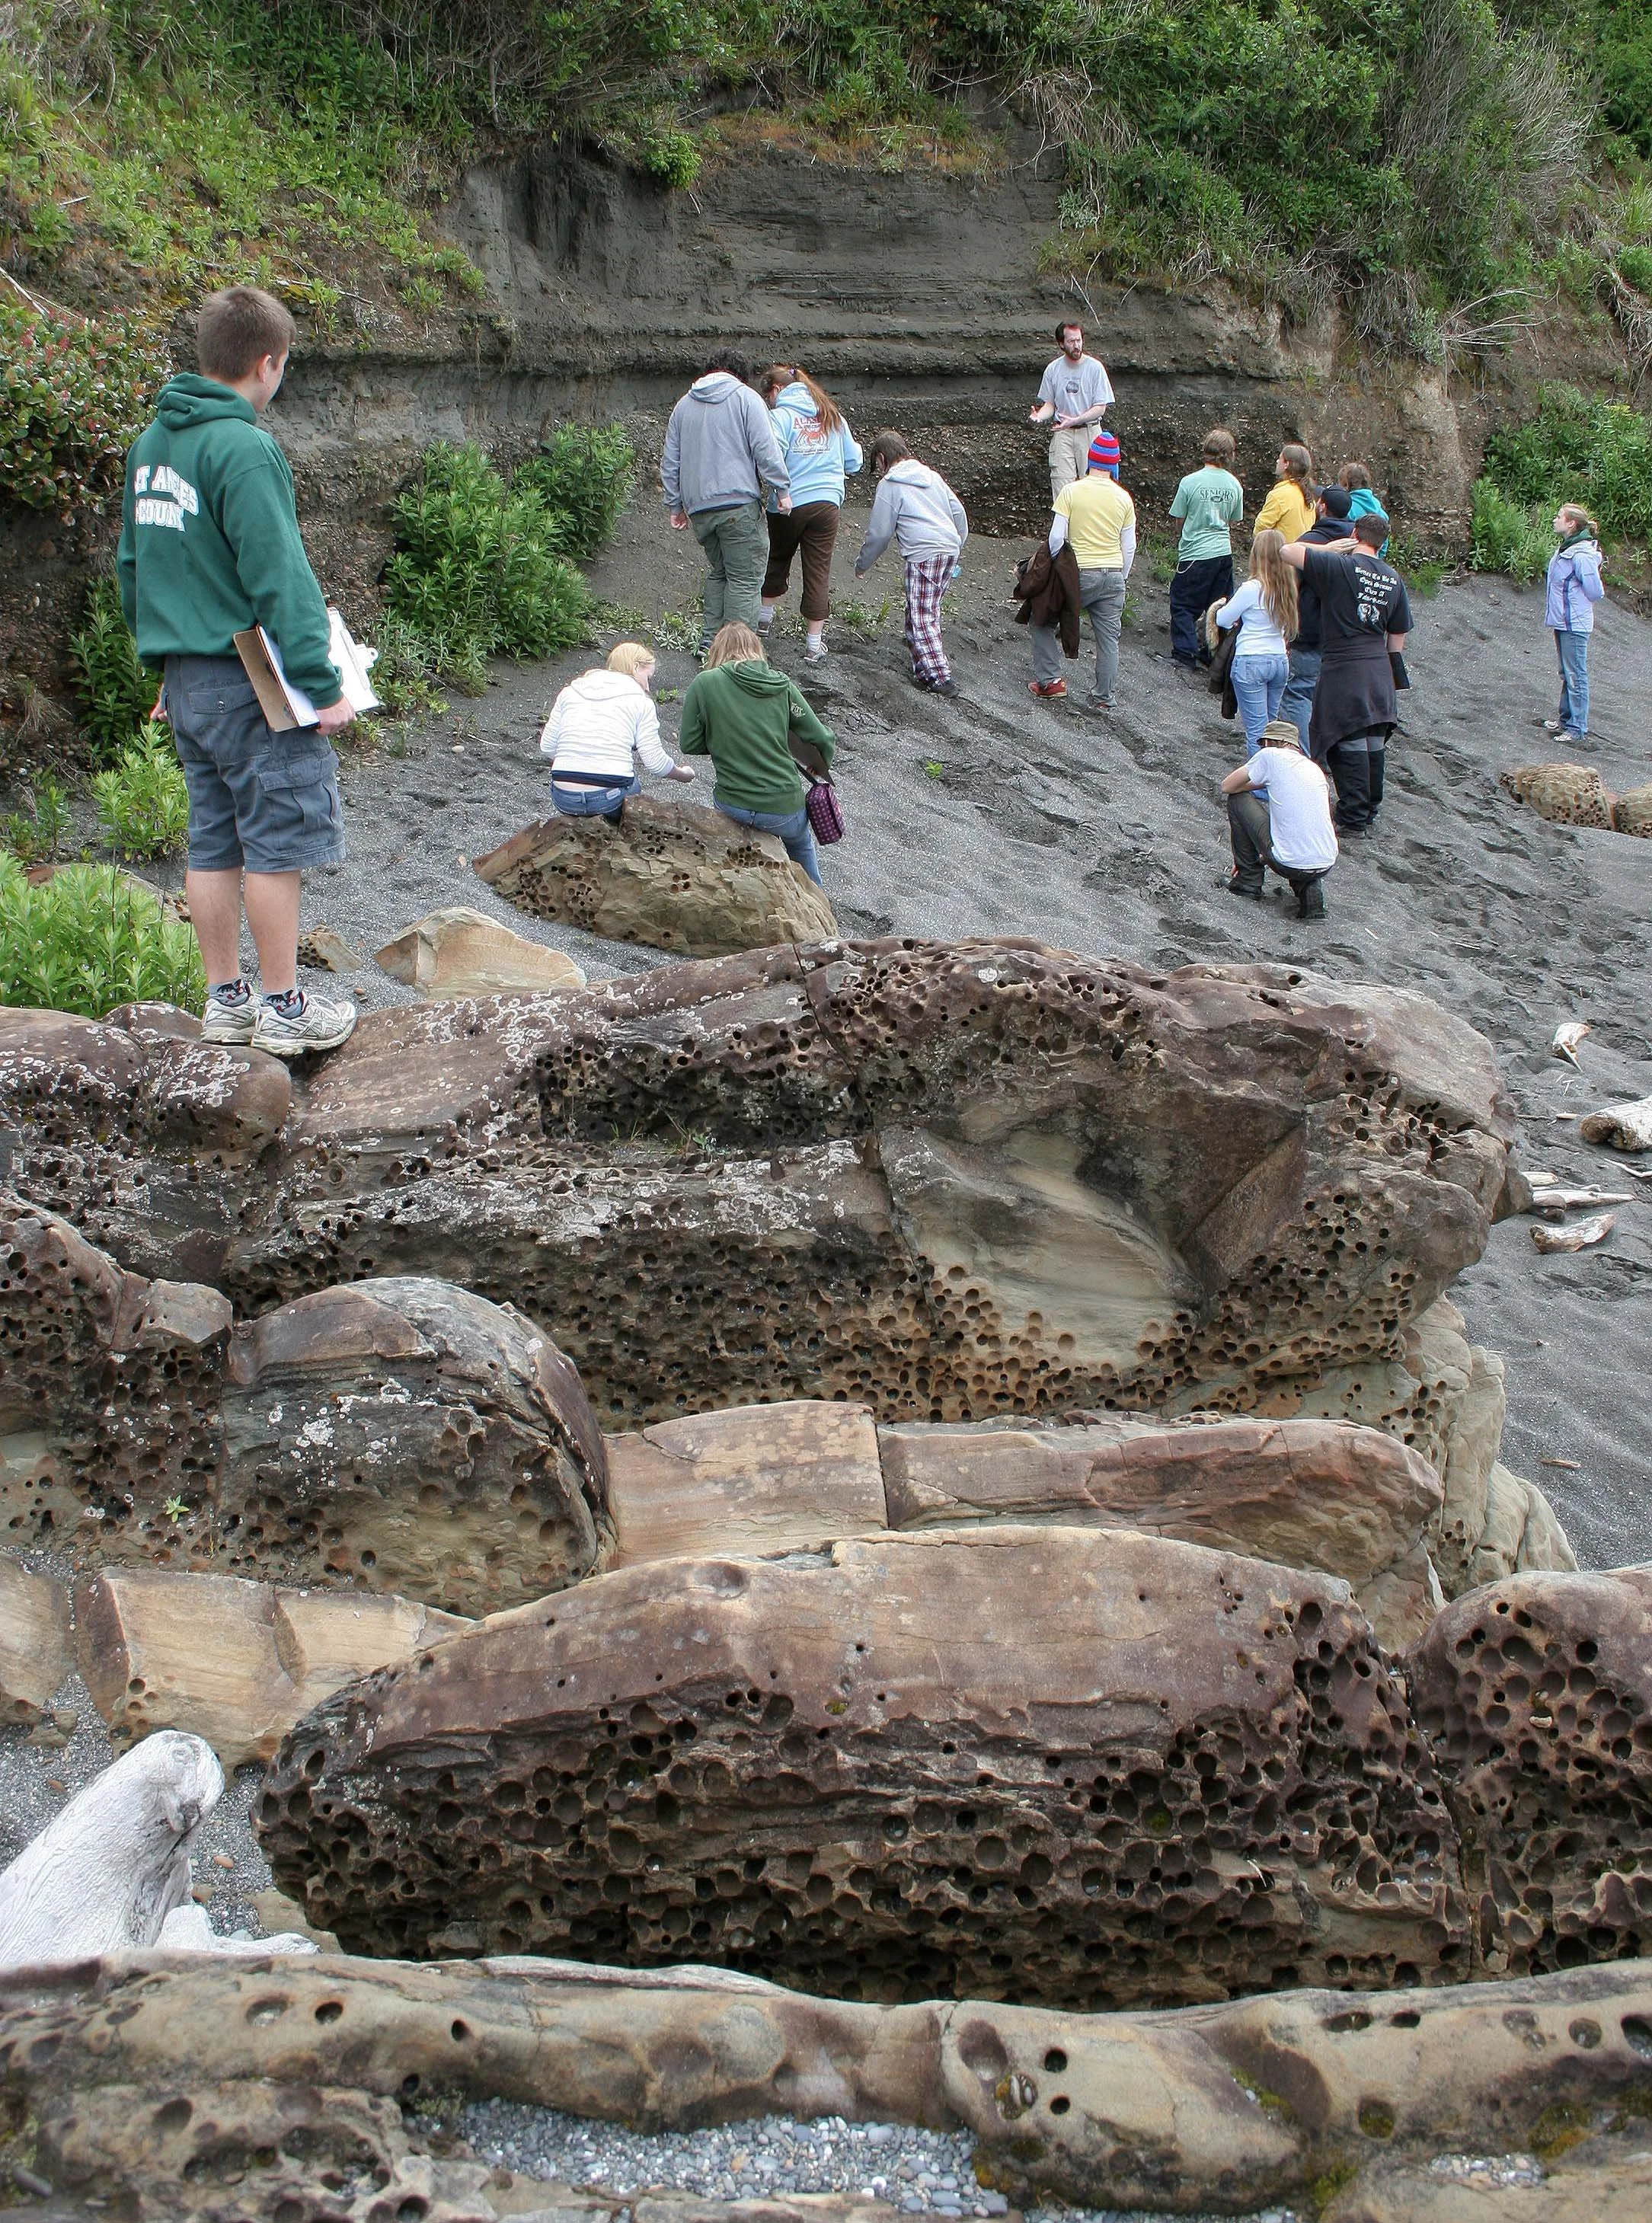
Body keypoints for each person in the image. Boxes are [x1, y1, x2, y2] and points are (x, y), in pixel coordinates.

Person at [116, 286, 355, 1058]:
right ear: (267, 363)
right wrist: (323, 687)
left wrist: (162, 662)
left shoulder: (151, 444)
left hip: (185, 677)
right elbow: (279, 576)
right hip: (253, 681)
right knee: (276, 841)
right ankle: (285, 1009)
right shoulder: (244, 448)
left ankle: (228, 1004)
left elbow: (135, 569)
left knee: (211, 842)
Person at [1280, 515, 1413, 834]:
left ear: (1354, 535)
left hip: (1344, 665)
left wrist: (1328, 548)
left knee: (1347, 738)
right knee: (1374, 740)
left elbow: (1286, 551)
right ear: (1383, 543)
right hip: (1378, 666)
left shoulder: (1341, 566)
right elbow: (1397, 640)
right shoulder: (1394, 578)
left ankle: (1352, 816)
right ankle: (1368, 809)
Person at [677, 621, 836, 884]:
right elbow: (821, 737)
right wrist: (820, 766)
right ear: (756, 649)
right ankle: (817, 899)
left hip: (733, 805)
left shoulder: (704, 683)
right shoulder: (781, 685)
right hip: (782, 809)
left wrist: (725, 741)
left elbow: (689, 743)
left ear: (718, 652)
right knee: (800, 844)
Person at [662, 349, 791, 656]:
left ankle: (710, 644)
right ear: (739, 375)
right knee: (746, 578)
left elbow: (671, 462)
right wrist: (781, 488)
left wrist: (675, 505)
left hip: (700, 510)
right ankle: (735, 655)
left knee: (721, 573)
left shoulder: (683, 406)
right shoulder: (745, 399)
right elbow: (765, 448)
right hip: (738, 506)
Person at [756, 366, 864, 664]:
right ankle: (814, 646)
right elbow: (854, 461)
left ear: (776, 390)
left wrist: (780, 490)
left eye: (769, 397)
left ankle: (763, 624)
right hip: (827, 503)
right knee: (818, 571)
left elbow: (772, 456)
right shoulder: (831, 414)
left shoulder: (780, 417)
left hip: (789, 502)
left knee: (777, 557)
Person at [854, 432, 969, 698]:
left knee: (922, 616)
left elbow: (880, 534)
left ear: (882, 459)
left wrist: (862, 565)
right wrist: (956, 544)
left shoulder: (890, 485)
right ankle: (923, 670)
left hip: (923, 552)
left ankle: (941, 678)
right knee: (922, 609)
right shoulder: (932, 477)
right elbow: (958, 512)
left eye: (878, 467)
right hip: (948, 547)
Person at [1029, 430, 1136, 709]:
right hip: (1113, 574)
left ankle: (1051, 681)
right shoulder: (1124, 498)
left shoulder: (1072, 491)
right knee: (1108, 639)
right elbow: (1130, 547)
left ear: (1090, 460)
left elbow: (1056, 538)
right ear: (1115, 463)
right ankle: (1103, 698)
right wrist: (1120, 578)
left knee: (1042, 620)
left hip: (1079, 574)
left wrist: (1054, 569)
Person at [539, 641, 696, 819]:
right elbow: (655, 764)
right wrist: (683, 774)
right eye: (648, 677)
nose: (648, 687)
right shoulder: (641, 702)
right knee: (632, 785)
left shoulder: (569, 692)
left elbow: (547, 748)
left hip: (563, 798)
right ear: (636, 667)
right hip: (608, 800)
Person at [1221, 717, 1337, 919]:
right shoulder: (1314, 769)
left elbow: (1228, 786)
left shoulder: (1270, 755)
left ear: (1268, 743)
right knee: (1298, 834)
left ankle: (1248, 880)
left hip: (1288, 862)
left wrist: (1263, 782)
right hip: (1325, 862)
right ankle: (1308, 888)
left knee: (1238, 799)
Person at [1278, 484, 1353, 752]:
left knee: (1298, 693)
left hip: (1310, 632)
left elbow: (1288, 584)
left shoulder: (1310, 542)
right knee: (1334, 697)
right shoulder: (1361, 544)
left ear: (1322, 507)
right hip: (1346, 635)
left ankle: (1304, 755)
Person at [1214, 528, 1297, 751]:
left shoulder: (1252, 588)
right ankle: (1275, 778)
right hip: (1279, 660)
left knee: (1257, 733)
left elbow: (1222, 619)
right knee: (1271, 728)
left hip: (1251, 659)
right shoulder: (1288, 588)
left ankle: (1261, 785)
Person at [1168, 430, 1244, 672]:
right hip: (1223, 551)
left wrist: (1183, 537)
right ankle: (1215, 655)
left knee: (1183, 604)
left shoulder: (1190, 482)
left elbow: (1179, 517)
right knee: (1219, 606)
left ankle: (1184, 652)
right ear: (1230, 455)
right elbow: (1234, 520)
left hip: (1196, 552)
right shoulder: (1234, 485)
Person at [1029, 321, 1115, 502]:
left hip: (1090, 432)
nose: (1077, 346)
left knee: (1093, 489)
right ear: (1061, 343)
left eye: (1079, 340)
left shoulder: (1095, 368)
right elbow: (1050, 405)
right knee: (1062, 489)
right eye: (1071, 342)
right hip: (1063, 433)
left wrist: (1075, 420)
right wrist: (1039, 416)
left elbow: (1100, 408)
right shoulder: (1053, 369)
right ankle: (1064, 529)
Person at [1545, 503, 1605, 744]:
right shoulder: (1568, 548)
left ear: (1571, 523)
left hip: (1574, 625)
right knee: (1567, 672)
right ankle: (1566, 721)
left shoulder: (1580, 554)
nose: (1555, 519)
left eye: (1559, 516)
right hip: (1564, 623)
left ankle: (1577, 728)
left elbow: (1595, 591)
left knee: (1575, 675)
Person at [1253, 442, 1317, 542]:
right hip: (1301, 553)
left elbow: (1261, 528)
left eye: (1280, 458)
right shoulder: (1309, 494)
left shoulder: (1280, 495)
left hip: (1280, 554)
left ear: (1287, 464)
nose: (1277, 461)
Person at [1338, 462, 1389, 554]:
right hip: (1373, 561)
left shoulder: (1347, 507)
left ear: (1346, 485)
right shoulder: (1379, 508)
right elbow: (1384, 542)